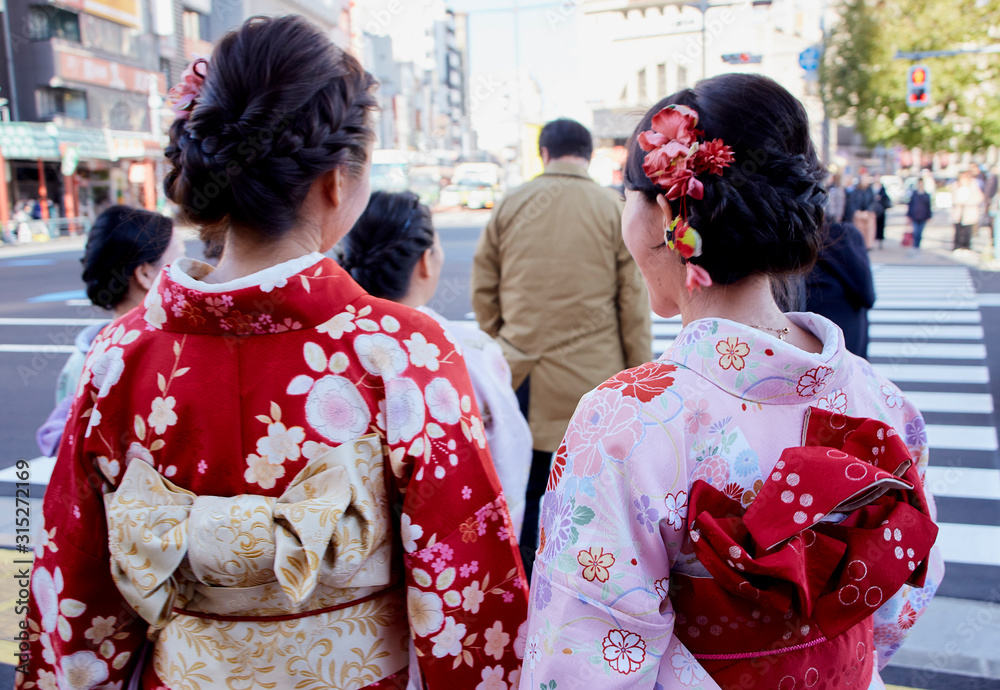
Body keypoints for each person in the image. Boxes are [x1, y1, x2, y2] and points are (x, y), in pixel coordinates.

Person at [19, 16, 527, 690]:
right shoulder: (402, 353)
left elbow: (72, 593)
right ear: (336, 182)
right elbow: (467, 593)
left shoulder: (118, 357)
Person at [518, 73, 942, 689]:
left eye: (626, 199)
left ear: (669, 214)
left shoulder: (626, 423)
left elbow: (584, 661)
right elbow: (901, 600)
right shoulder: (880, 401)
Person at [471, 118, 652, 576]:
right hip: (595, 382)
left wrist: (508, 343)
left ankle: (524, 588)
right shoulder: (612, 209)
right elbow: (632, 303)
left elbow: (484, 289)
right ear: (587, 156)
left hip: (522, 377)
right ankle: (581, 584)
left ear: (544, 154)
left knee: (526, 490)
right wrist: (639, 374)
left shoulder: (511, 203)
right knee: (588, 496)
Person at [339, 190, 533, 535]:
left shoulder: (325, 344)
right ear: (425, 261)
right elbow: (507, 455)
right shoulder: (467, 349)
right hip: (441, 542)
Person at [35, 206, 186, 457]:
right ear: (146, 274)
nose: (194, 269)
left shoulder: (81, 360)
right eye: (180, 258)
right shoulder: (170, 356)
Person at [805, 222, 876, 357]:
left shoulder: (788, 242)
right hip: (846, 351)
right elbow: (868, 297)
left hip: (816, 354)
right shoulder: (843, 235)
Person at [952, 169, 985, 251]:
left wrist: (968, 202)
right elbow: (953, 197)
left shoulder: (973, 185)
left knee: (967, 231)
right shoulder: (955, 185)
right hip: (959, 211)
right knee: (958, 230)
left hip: (969, 211)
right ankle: (957, 246)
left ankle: (966, 246)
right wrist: (958, 201)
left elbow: (979, 197)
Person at [845, 174, 876, 249]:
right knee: (859, 230)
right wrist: (857, 212)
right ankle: (859, 244)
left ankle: (868, 245)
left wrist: (868, 211)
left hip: (868, 214)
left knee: (869, 231)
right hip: (858, 214)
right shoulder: (855, 191)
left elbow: (872, 202)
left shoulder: (870, 190)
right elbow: (852, 203)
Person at [906, 177, 934, 251]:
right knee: (915, 232)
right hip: (915, 216)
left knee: (920, 232)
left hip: (923, 216)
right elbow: (910, 205)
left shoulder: (926, 195)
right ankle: (915, 245)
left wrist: (929, 216)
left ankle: (918, 245)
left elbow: (928, 206)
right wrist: (908, 215)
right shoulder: (914, 194)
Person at [873, 180, 892, 250]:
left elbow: (886, 198)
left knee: (880, 227)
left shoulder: (883, 190)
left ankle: (879, 241)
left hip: (881, 210)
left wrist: (880, 197)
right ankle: (873, 241)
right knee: (873, 227)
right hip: (873, 210)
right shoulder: (871, 188)